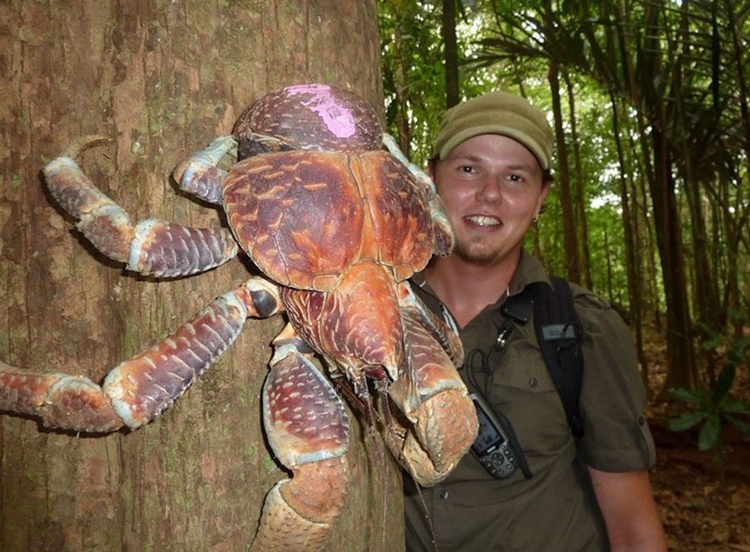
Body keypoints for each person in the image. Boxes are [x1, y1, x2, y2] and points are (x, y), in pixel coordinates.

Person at [404, 91, 667, 551]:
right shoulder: (374, 310)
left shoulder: (582, 328)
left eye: (515, 177)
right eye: (469, 169)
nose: (490, 193)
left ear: (541, 197)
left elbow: (632, 528)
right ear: (430, 179)